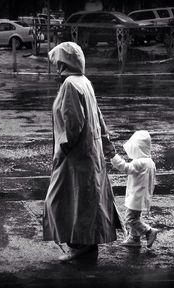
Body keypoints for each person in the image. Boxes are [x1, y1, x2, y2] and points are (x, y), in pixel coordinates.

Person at [43, 42, 123, 261]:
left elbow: (73, 125)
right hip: (89, 153)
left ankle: (79, 245)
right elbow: (98, 115)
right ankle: (84, 243)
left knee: (64, 199)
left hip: (76, 157)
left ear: (62, 62)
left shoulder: (70, 84)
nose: (55, 66)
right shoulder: (84, 81)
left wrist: (62, 152)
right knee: (85, 200)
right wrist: (106, 144)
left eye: (57, 62)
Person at [111, 130, 158, 248]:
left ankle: (148, 231)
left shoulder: (139, 162)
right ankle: (135, 239)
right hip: (143, 197)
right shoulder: (149, 162)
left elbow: (125, 168)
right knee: (136, 217)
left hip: (136, 197)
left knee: (130, 219)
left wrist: (113, 157)